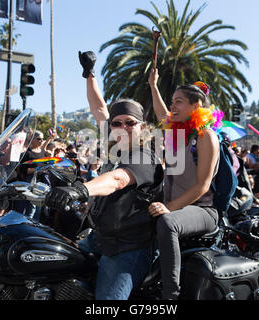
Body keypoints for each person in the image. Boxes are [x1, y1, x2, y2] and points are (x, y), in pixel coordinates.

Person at [43, 50, 164, 300]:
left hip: (128, 247)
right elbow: (100, 109)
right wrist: (89, 74)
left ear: (142, 127)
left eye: (130, 122)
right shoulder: (116, 147)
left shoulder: (144, 155)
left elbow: (118, 179)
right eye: (117, 123)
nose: (122, 127)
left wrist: (82, 189)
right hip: (101, 236)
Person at [148, 67, 220, 300]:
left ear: (196, 105)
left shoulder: (205, 136)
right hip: (175, 206)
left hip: (203, 210)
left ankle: (171, 296)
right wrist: (153, 85)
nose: (173, 107)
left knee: (167, 223)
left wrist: (168, 208)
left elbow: (202, 186)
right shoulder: (177, 133)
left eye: (179, 102)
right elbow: (161, 113)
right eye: (172, 102)